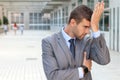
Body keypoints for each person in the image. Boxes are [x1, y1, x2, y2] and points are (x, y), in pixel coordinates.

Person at [42, 1, 110, 80]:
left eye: (90, 27)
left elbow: (104, 60)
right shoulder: (49, 43)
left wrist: (95, 27)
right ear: (73, 22)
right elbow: (53, 76)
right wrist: (83, 70)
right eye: (85, 27)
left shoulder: (87, 41)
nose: (88, 32)